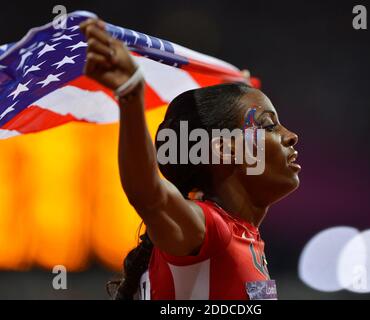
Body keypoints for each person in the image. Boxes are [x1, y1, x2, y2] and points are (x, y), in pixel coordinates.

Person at [80, 18, 301, 300]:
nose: (291, 135)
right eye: (268, 125)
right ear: (225, 150)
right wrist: (131, 93)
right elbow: (148, 195)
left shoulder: (244, 236)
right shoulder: (209, 229)